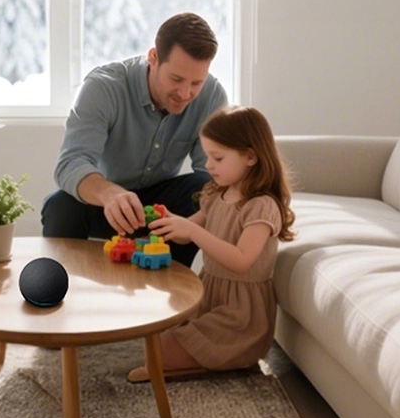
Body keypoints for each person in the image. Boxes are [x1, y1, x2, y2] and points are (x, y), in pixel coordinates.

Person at [42, 13, 229, 267]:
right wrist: (109, 193)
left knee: (201, 188)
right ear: (153, 57)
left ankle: (174, 290)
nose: (186, 93)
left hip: (161, 210)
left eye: (196, 82)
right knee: (59, 206)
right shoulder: (104, 87)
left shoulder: (211, 96)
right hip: (104, 202)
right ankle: (59, 286)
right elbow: (70, 163)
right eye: (176, 79)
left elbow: (218, 175)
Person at [127, 106, 296, 382]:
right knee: (151, 335)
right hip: (209, 295)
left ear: (250, 157)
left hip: (240, 315)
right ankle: (191, 360)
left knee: (157, 351)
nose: (208, 165)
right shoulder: (218, 195)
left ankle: (224, 362)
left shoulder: (261, 207)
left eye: (217, 157)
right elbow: (186, 231)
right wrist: (169, 222)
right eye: (208, 156)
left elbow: (241, 260)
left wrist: (192, 231)